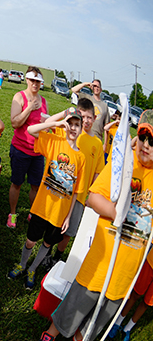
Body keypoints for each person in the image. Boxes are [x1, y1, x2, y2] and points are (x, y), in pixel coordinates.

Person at [26, 110, 153, 341]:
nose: (146, 145)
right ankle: (49, 337)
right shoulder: (124, 166)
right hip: (100, 261)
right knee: (75, 304)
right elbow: (94, 198)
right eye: (144, 137)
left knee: (101, 315)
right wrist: (118, 212)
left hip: (126, 269)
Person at [7, 108, 86, 290]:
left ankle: (32, 269)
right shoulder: (55, 142)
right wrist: (56, 123)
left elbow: (76, 191)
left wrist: (68, 217)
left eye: (77, 125)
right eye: (70, 124)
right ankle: (22, 264)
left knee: (48, 243)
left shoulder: (81, 157)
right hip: (42, 206)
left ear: (81, 129)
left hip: (60, 213)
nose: (73, 128)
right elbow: (31, 130)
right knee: (30, 240)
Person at [48, 99, 105, 267]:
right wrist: (64, 115)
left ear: (95, 119)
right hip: (61, 190)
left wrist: (91, 195)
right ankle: (47, 251)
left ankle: (57, 256)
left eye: (89, 117)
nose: (86, 121)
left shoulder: (97, 143)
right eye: (83, 117)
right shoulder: (69, 131)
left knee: (69, 230)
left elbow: (97, 173)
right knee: (55, 224)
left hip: (80, 196)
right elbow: (48, 122)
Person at [7, 67, 49, 228]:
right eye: (32, 80)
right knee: (16, 183)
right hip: (20, 149)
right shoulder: (19, 97)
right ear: (27, 80)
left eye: (38, 81)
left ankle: (33, 213)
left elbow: (45, 125)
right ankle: (12, 214)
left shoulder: (44, 101)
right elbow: (14, 123)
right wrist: (29, 108)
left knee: (36, 186)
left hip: (37, 152)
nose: (35, 84)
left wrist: (47, 126)